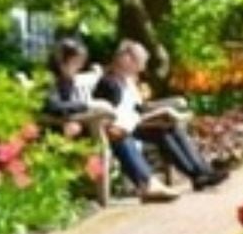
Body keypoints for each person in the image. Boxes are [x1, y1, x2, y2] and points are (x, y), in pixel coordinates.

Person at [43, 37, 177, 203]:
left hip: (82, 126)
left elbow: (69, 106)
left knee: (118, 133)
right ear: (62, 60)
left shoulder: (67, 78)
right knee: (116, 135)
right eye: (76, 62)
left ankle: (148, 183)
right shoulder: (49, 79)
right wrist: (86, 105)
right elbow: (52, 106)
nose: (79, 67)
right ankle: (147, 184)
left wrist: (83, 111)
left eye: (80, 62)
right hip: (60, 133)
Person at [94, 40, 227, 192]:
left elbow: (138, 107)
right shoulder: (109, 83)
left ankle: (202, 171)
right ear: (126, 59)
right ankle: (196, 175)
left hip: (134, 123)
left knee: (171, 127)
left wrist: (159, 112)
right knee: (163, 131)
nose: (142, 67)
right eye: (140, 62)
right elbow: (106, 116)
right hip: (123, 129)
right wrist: (149, 116)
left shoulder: (128, 80)